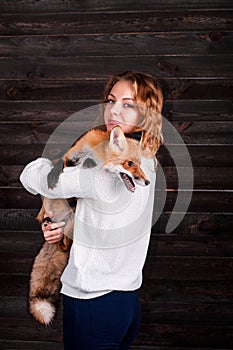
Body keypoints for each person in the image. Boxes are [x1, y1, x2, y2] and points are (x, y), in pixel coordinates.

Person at [20, 71, 163, 350]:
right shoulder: (149, 162)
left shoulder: (107, 173)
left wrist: (42, 164)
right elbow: (106, 222)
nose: (114, 110)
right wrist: (64, 227)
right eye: (111, 101)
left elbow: (31, 177)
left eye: (128, 104)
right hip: (125, 303)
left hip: (93, 303)